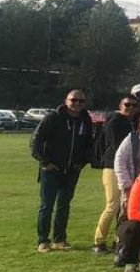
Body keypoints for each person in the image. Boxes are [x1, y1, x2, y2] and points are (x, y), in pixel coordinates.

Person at [30, 89, 94, 252]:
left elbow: (89, 145)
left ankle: (60, 239)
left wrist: (82, 162)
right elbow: (35, 140)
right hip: (51, 169)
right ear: (66, 100)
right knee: (47, 205)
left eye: (81, 101)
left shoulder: (85, 120)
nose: (77, 104)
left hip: (72, 170)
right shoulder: (53, 117)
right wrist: (45, 161)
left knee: (64, 205)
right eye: (74, 100)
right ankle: (43, 240)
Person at [92, 94, 137, 253]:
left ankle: (119, 239)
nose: (130, 108)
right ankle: (99, 241)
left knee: (125, 208)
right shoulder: (114, 122)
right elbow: (117, 146)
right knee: (112, 205)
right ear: (120, 105)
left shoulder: (132, 122)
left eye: (133, 105)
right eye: (127, 105)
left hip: (128, 168)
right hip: (112, 166)